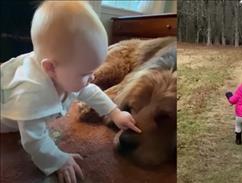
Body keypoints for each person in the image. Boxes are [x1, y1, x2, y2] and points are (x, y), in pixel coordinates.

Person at [0, 1, 141, 183]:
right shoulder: (31, 95)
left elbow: (90, 91)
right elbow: (33, 141)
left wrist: (114, 112)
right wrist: (58, 160)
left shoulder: (62, 71)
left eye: (93, 71)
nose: (92, 78)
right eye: (85, 73)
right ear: (51, 68)